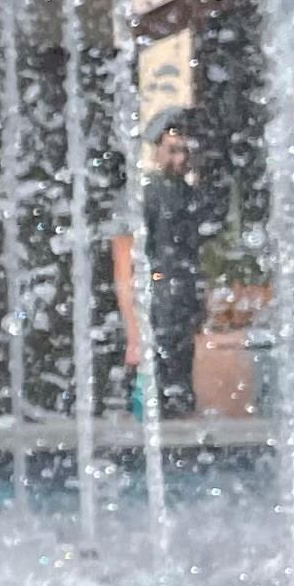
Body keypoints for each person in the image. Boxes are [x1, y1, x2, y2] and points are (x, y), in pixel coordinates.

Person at [112, 111, 204, 420]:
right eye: (174, 150)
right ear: (158, 150)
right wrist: (133, 335)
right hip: (150, 313)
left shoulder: (190, 196)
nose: (181, 159)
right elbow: (124, 267)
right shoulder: (140, 197)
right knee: (145, 408)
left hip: (179, 318)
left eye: (186, 151)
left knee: (180, 401)